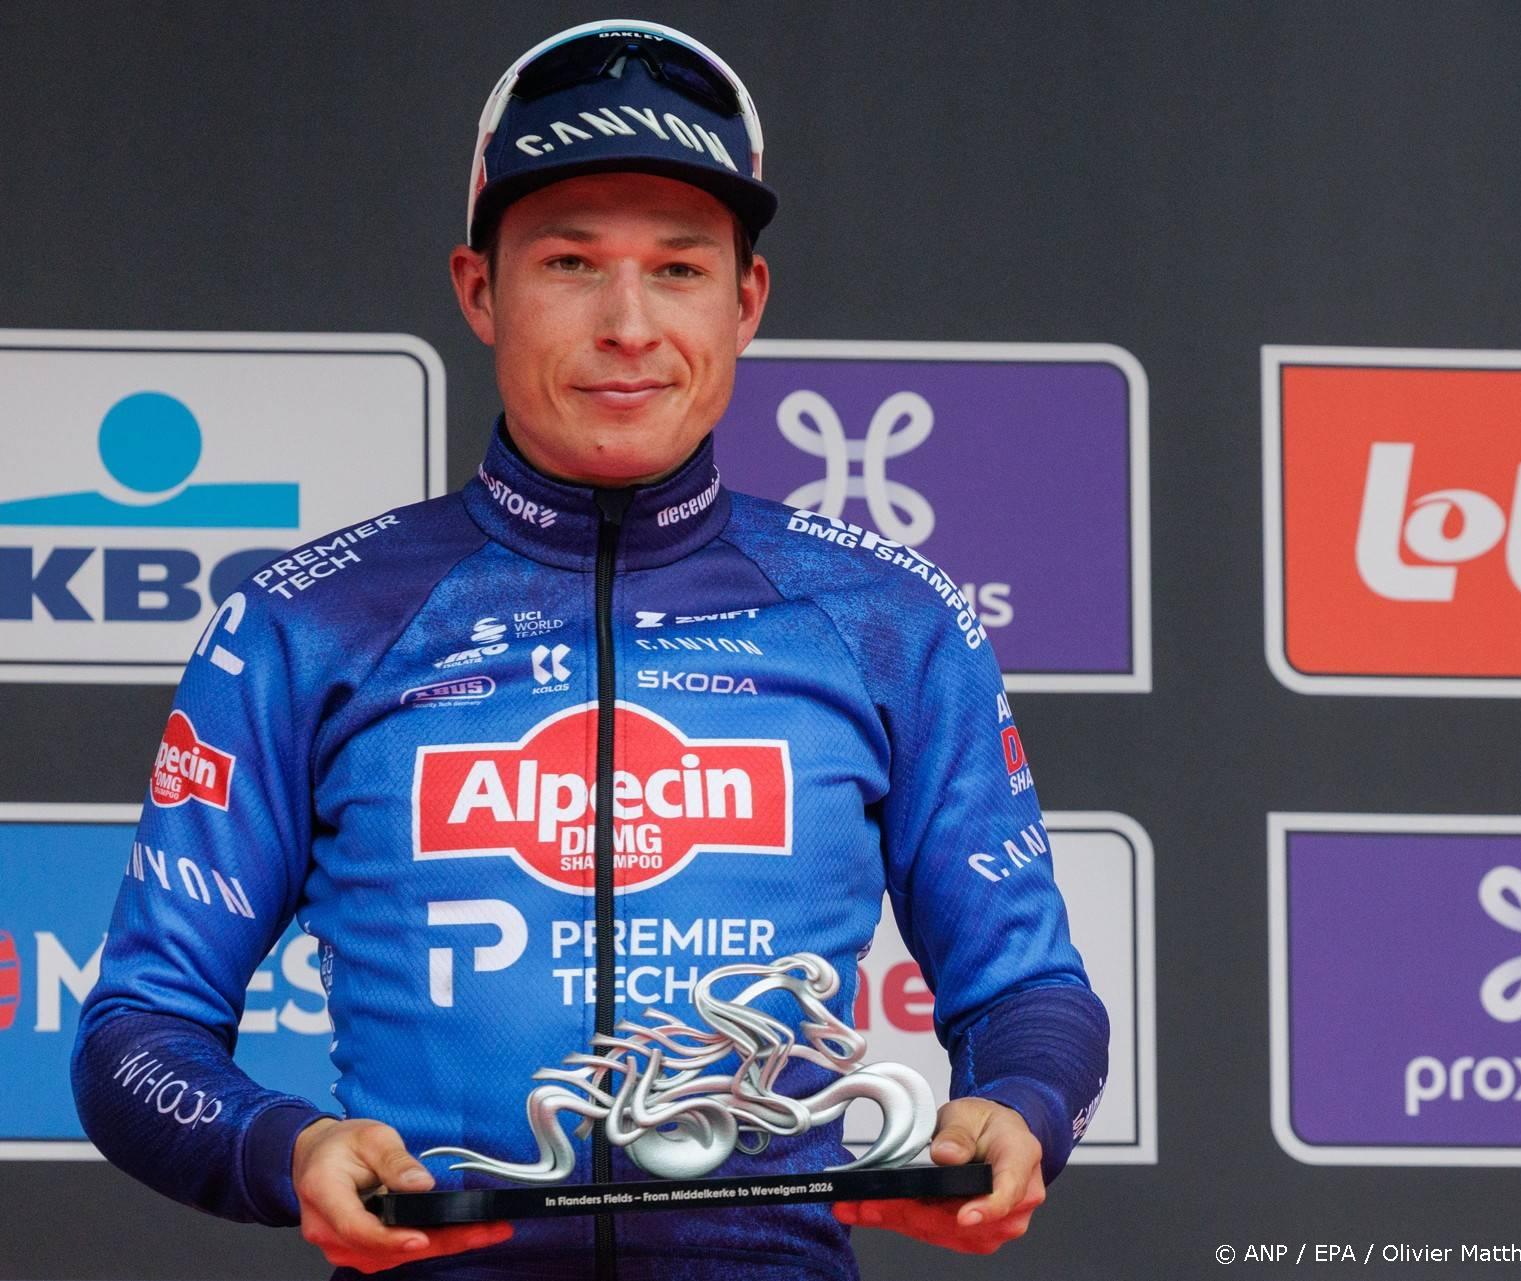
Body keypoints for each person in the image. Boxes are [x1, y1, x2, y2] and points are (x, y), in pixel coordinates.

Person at [72, 19, 1108, 1280]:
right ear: (478, 291)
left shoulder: (892, 618)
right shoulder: (307, 623)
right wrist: (282, 1146)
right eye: (570, 262)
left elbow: (1031, 996)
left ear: (746, 301)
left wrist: (1024, 1109)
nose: (628, 324)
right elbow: (140, 1032)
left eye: (678, 269)